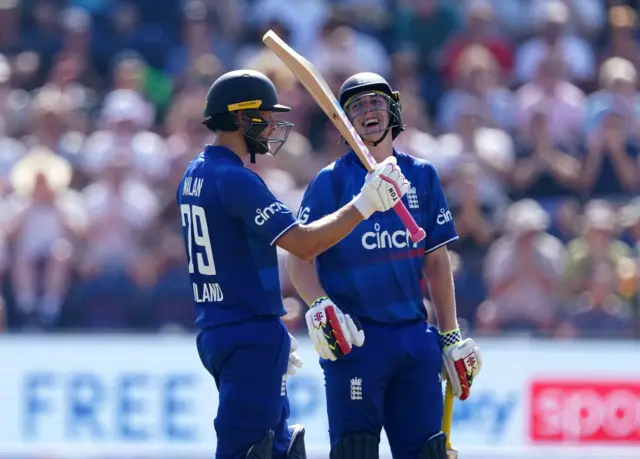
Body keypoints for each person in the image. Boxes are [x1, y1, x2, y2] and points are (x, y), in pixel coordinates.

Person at [176, 69, 411, 459]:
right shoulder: (235, 179)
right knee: (250, 451)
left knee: (279, 447)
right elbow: (303, 244)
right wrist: (364, 204)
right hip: (247, 333)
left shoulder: (194, 172)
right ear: (239, 117)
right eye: (265, 116)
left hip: (222, 328)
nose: (271, 126)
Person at [287, 72, 482, 459]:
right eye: (356, 107)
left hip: (413, 339)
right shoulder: (330, 182)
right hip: (356, 342)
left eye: (375, 102)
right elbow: (299, 256)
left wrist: (450, 335)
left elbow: (437, 261)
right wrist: (320, 305)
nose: (367, 111)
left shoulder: (422, 176)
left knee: (426, 452)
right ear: (344, 122)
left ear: (392, 110)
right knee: (355, 451)